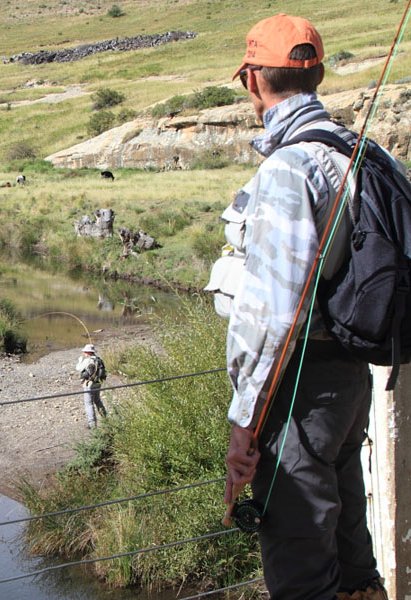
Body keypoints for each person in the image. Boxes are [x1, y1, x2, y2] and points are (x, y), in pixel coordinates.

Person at [223, 15, 398, 600]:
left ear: (253, 81)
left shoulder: (289, 168)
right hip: (351, 382)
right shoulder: (364, 153)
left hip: (299, 391)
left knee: (301, 567)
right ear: (317, 75)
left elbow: (273, 315)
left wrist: (244, 424)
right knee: (350, 553)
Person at [75, 344, 107, 428]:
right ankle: (105, 418)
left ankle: (92, 424)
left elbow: (78, 368)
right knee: (98, 401)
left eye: (85, 351)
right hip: (98, 383)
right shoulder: (99, 360)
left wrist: (80, 360)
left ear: (88, 352)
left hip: (89, 385)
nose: (84, 353)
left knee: (89, 404)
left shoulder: (88, 360)